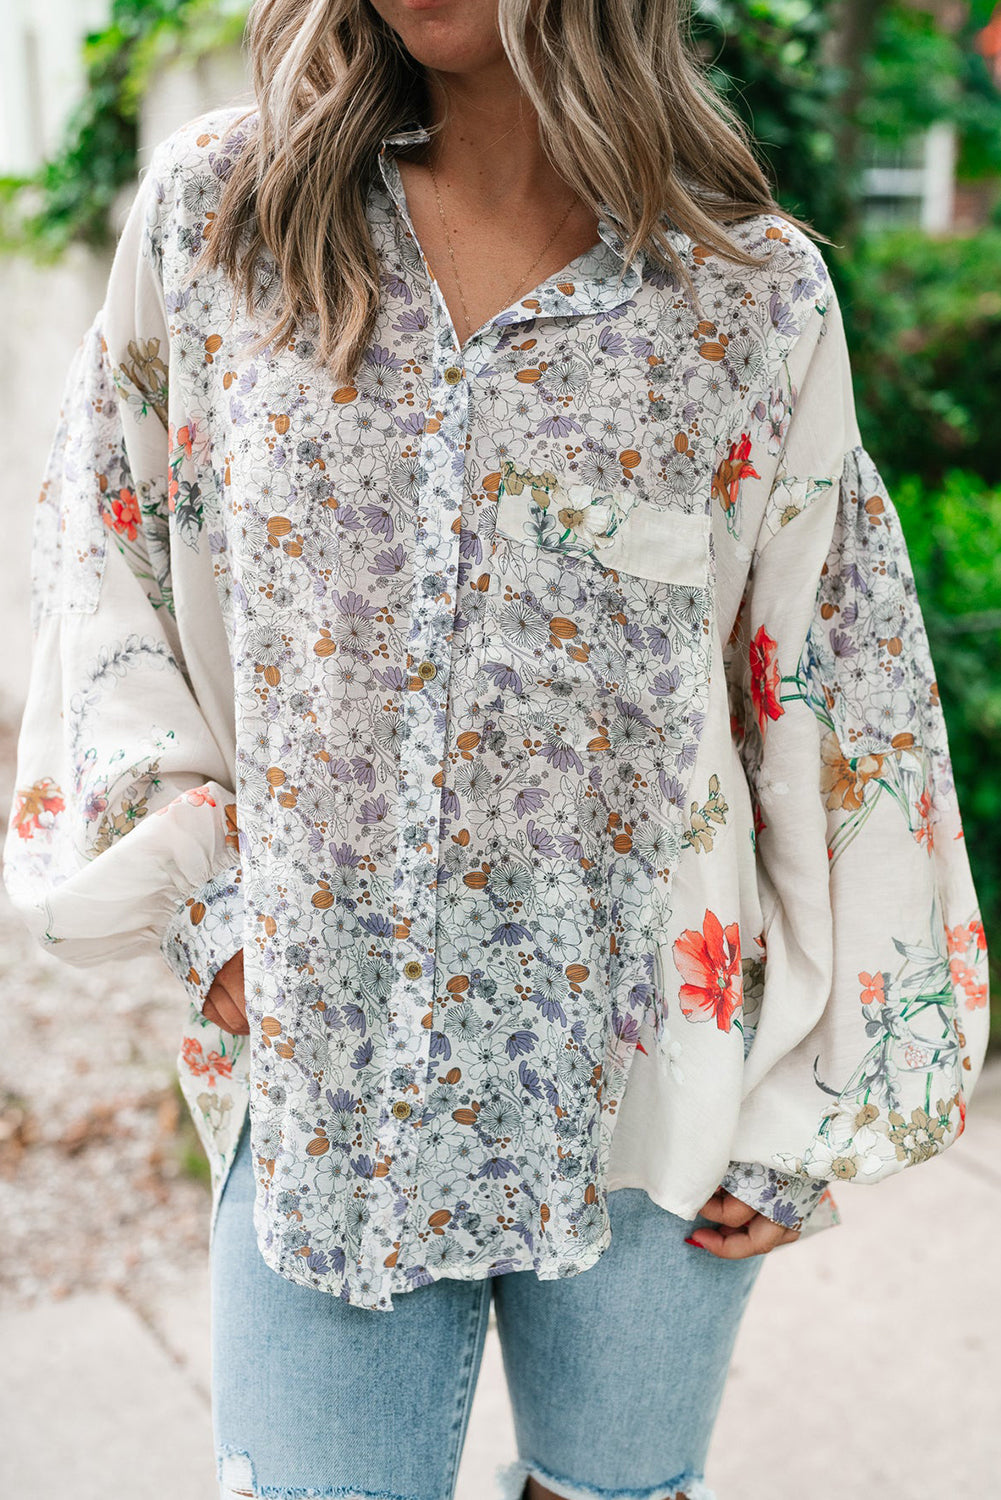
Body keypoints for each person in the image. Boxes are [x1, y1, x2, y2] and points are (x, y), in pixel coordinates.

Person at [3, 0, 990, 1497]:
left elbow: (837, 692)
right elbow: (106, 558)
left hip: (648, 1085)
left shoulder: (746, 294)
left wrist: (813, 1100)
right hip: (331, 1075)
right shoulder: (228, 220)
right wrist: (210, 909)